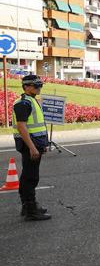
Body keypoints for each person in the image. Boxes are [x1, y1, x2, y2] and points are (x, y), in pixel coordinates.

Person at [12, 74, 51, 221]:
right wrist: (33, 148)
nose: (39, 87)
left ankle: (28, 206)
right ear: (26, 87)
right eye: (36, 85)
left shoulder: (31, 100)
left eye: (39, 85)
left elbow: (38, 126)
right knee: (30, 177)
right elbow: (22, 127)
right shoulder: (23, 103)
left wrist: (43, 145)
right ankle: (31, 210)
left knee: (28, 175)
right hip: (30, 145)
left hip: (35, 143)